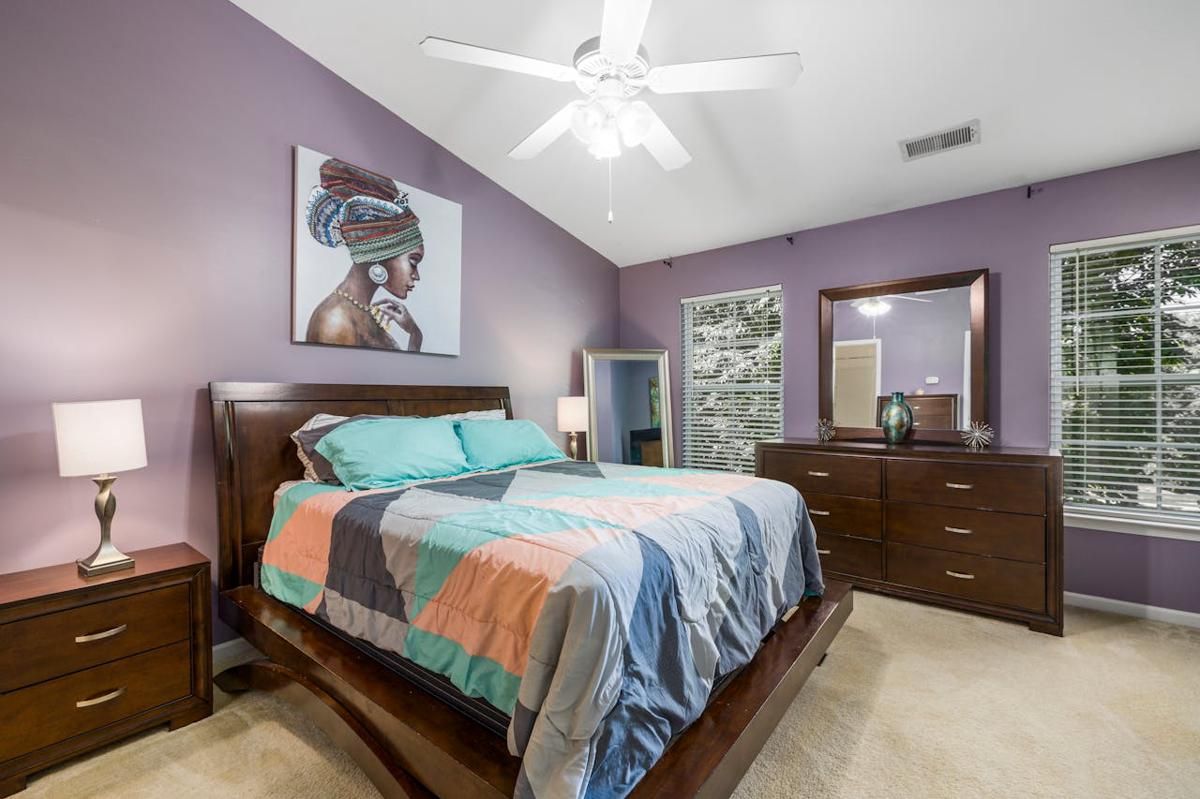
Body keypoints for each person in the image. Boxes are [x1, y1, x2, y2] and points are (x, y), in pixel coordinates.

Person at [303, 158, 425, 351]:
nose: (416, 276)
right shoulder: (335, 320)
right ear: (380, 252)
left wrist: (415, 335)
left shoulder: (363, 312)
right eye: (413, 261)